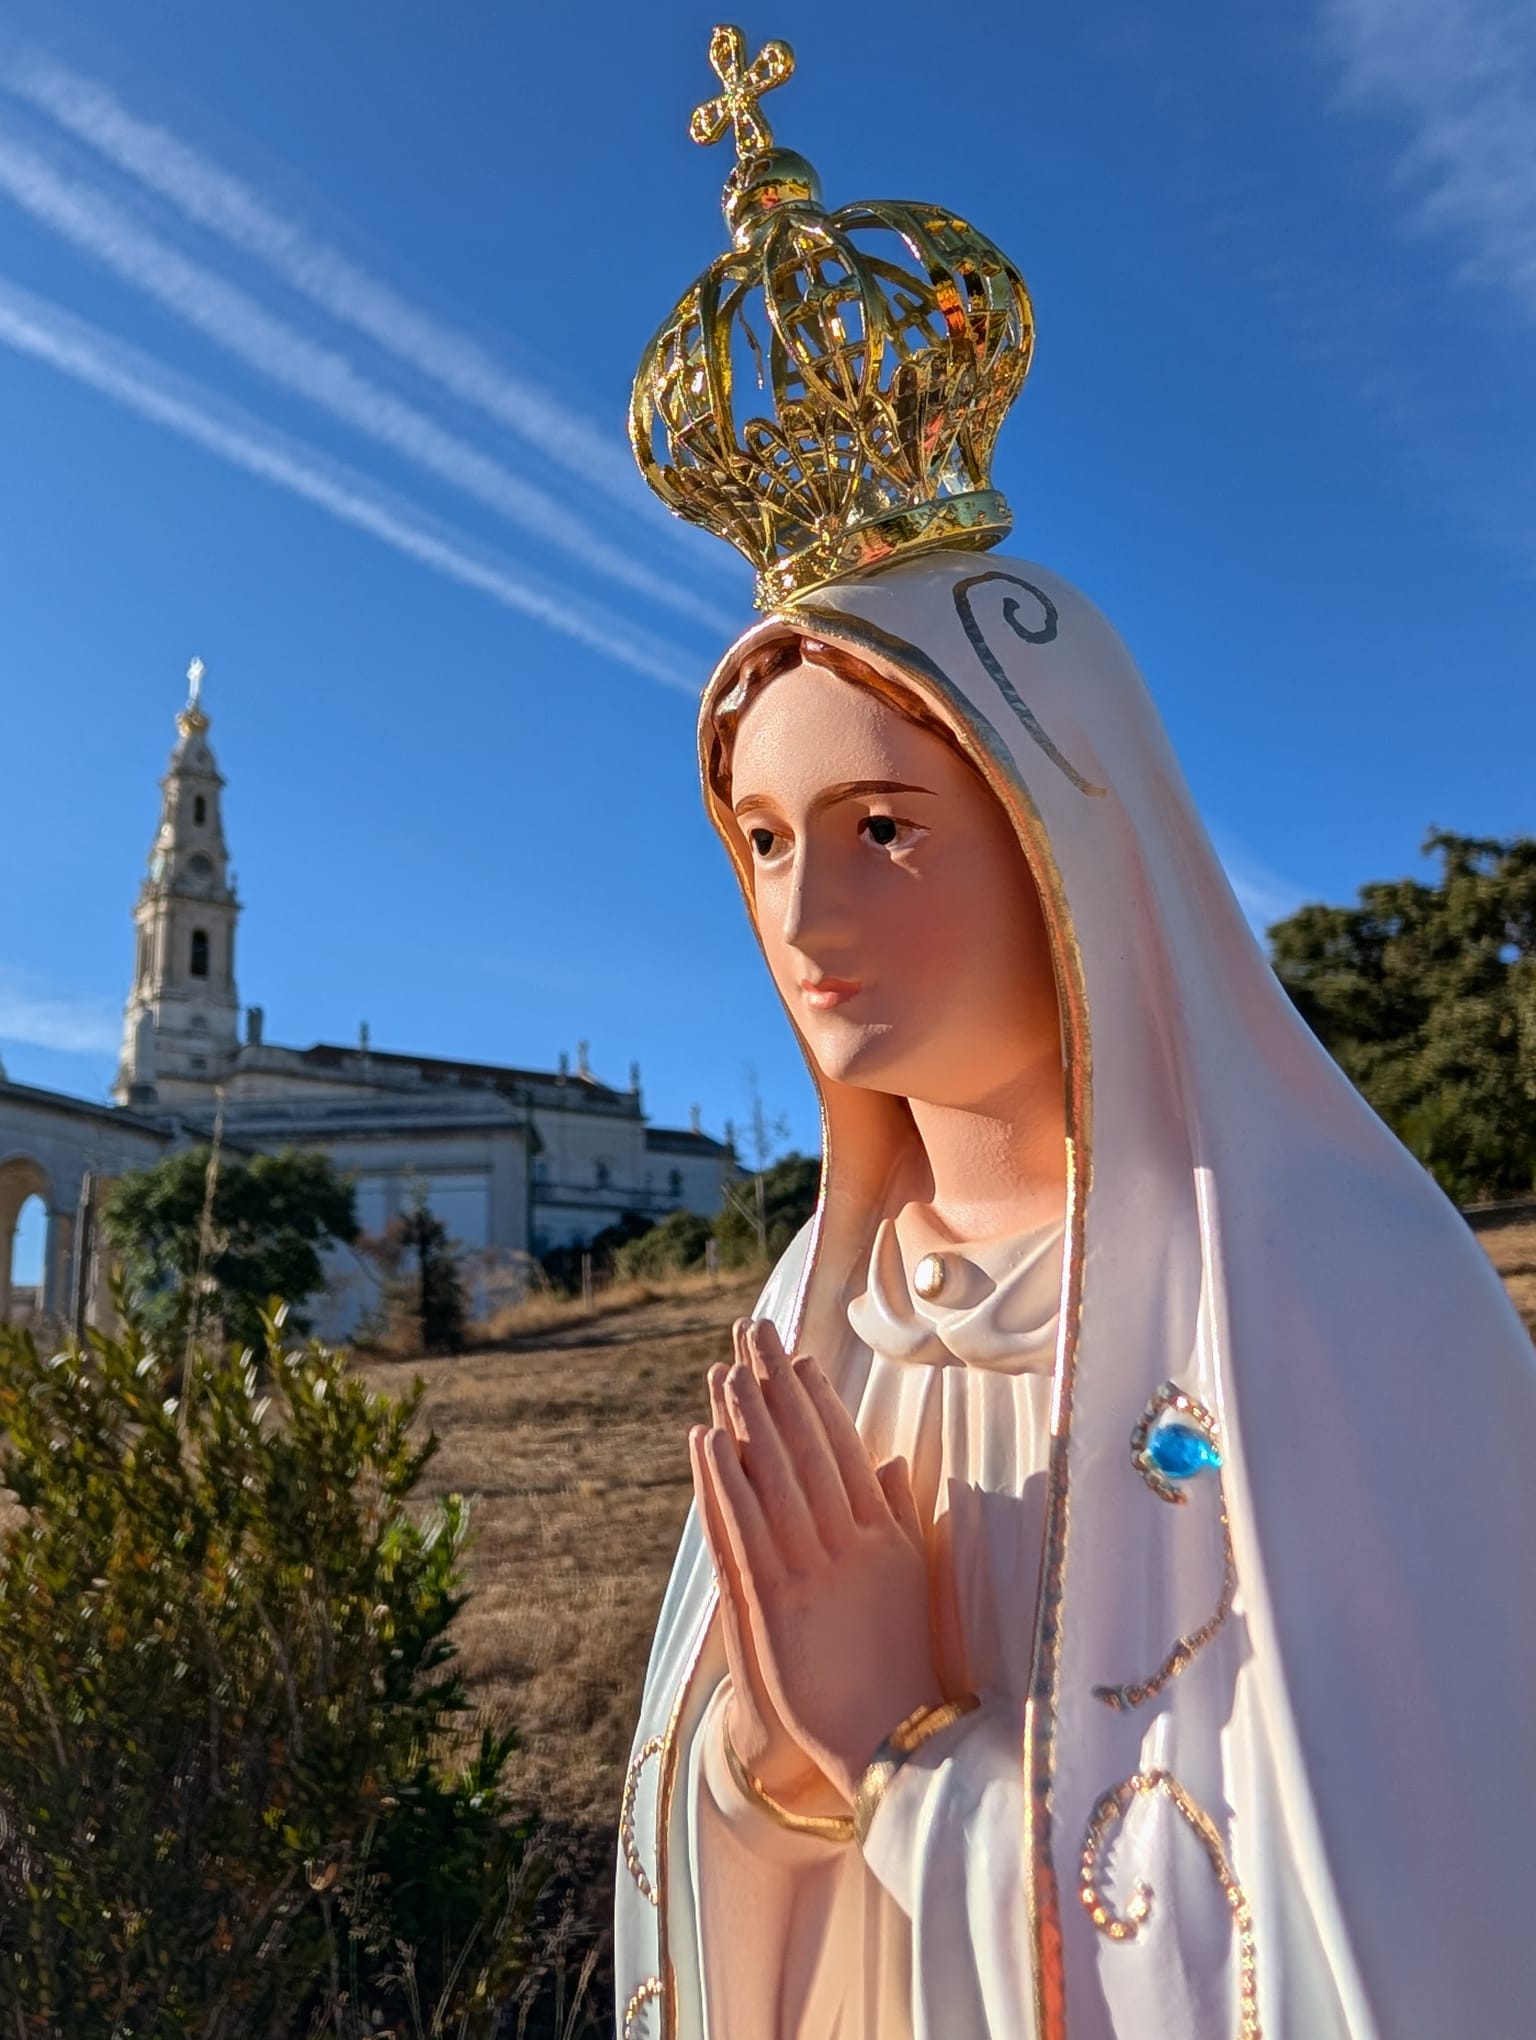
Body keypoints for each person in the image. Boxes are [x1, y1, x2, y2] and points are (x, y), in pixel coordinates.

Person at [614, 28, 1536, 2040]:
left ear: (1071, 828)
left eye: (882, 827)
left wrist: (895, 1758)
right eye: (761, 841)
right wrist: (770, 1770)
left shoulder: (1334, 1292)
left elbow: (1393, 1931)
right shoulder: (814, 1316)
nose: (802, 918)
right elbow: (714, 1834)